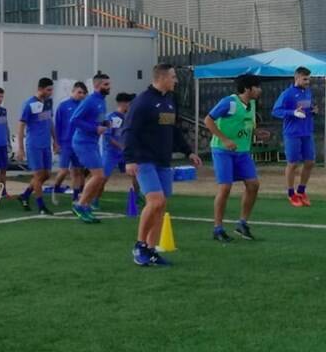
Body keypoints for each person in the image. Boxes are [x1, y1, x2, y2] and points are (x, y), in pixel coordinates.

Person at [123, 64, 203, 267]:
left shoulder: (169, 100)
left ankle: (151, 250)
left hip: (163, 161)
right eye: (173, 77)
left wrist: (188, 152)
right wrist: (130, 159)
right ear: (163, 78)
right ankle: (139, 246)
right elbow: (129, 131)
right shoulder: (142, 102)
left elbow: (173, 130)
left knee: (161, 205)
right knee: (155, 201)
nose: (176, 81)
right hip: (144, 160)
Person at [204, 75, 262, 242]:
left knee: (253, 185)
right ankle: (218, 228)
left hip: (243, 152)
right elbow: (208, 120)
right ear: (247, 89)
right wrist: (224, 139)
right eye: (257, 87)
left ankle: (242, 224)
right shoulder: (229, 102)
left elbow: (246, 125)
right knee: (225, 188)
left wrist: (257, 133)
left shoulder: (251, 104)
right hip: (223, 151)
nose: (260, 90)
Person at [70, 72, 111, 223]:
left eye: (109, 84)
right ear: (97, 85)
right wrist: (94, 129)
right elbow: (74, 120)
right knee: (99, 176)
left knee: (101, 176)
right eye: (106, 85)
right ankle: (80, 205)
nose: (109, 87)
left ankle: (84, 204)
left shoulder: (102, 101)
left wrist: (105, 124)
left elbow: (98, 120)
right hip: (83, 142)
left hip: (92, 143)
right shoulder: (89, 101)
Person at [272, 66, 316, 207]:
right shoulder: (287, 94)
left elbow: (305, 109)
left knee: (310, 162)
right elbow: (276, 111)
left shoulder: (308, 92)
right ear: (297, 78)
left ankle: (301, 191)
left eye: (309, 79)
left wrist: (312, 111)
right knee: (293, 164)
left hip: (307, 132)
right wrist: (292, 113)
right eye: (305, 79)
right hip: (292, 133)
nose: (308, 82)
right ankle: (291, 194)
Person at [16, 77, 56, 216]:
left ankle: (25, 195)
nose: (51, 92)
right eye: (48, 90)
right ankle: (41, 206)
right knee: (38, 175)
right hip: (34, 144)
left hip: (46, 144)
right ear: (40, 89)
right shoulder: (29, 104)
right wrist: (20, 147)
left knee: (47, 174)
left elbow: (50, 121)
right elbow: (21, 125)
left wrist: (55, 141)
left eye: (51, 89)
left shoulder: (48, 103)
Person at [95, 92, 135, 207]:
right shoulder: (109, 117)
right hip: (111, 153)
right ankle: (95, 200)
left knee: (137, 173)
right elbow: (107, 136)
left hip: (125, 153)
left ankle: (137, 197)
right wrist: (121, 146)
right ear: (123, 103)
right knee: (102, 178)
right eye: (130, 103)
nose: (131, 106)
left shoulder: (129, 118)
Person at [52, 81, 87, 198]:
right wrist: (56, 143)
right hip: (65, 143)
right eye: (79, 92)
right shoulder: (63, 106)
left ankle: (75, 196)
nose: (81, 95)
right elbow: (57, 125)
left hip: (79, 143)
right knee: (64, 170)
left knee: (77, 170)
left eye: (83, 93)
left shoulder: (84, 106)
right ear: (73, 91)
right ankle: (56, 187)